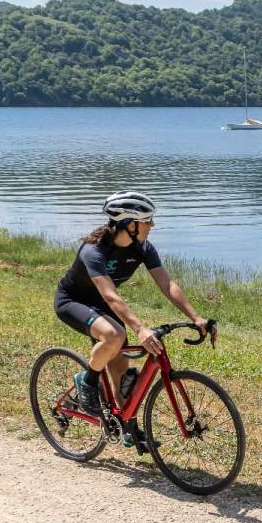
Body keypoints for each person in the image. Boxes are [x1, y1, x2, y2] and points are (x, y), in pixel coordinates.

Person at [54, 190, 211, 450]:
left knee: (122, 370)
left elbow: (167, 283)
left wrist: (196, 317)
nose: (153, 225)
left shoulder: (142, 248)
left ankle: (127, 426)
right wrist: (139, 328)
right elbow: (111, 296)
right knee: (115, 336)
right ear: (130, 224)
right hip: (74, 302)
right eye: (148, 220)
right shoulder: (94, 251)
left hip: (102, 304)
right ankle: (87, 381)